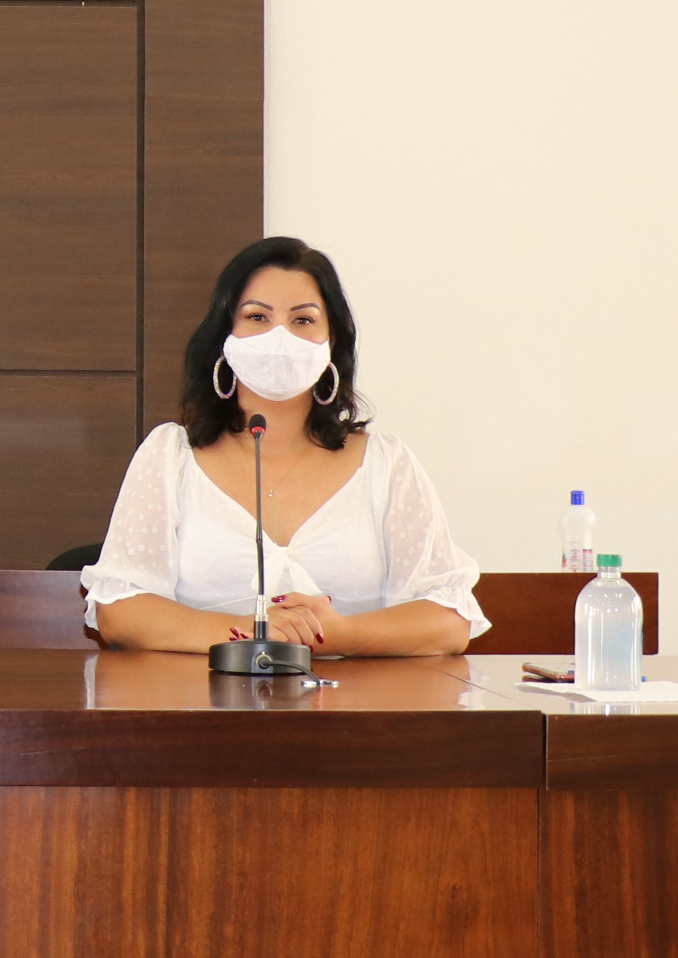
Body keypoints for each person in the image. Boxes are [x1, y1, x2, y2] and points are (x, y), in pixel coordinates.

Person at [84, 235, 486, 657]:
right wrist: (250, 631)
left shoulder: (387, 463)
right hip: (202, 694)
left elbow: (450, 620)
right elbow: (120, 611)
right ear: (224, 336)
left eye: (303, 320)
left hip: (350, 696)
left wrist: (333, 634)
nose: (280, 337)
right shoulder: (171, 456)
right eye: (257, 317)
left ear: (332, 342)